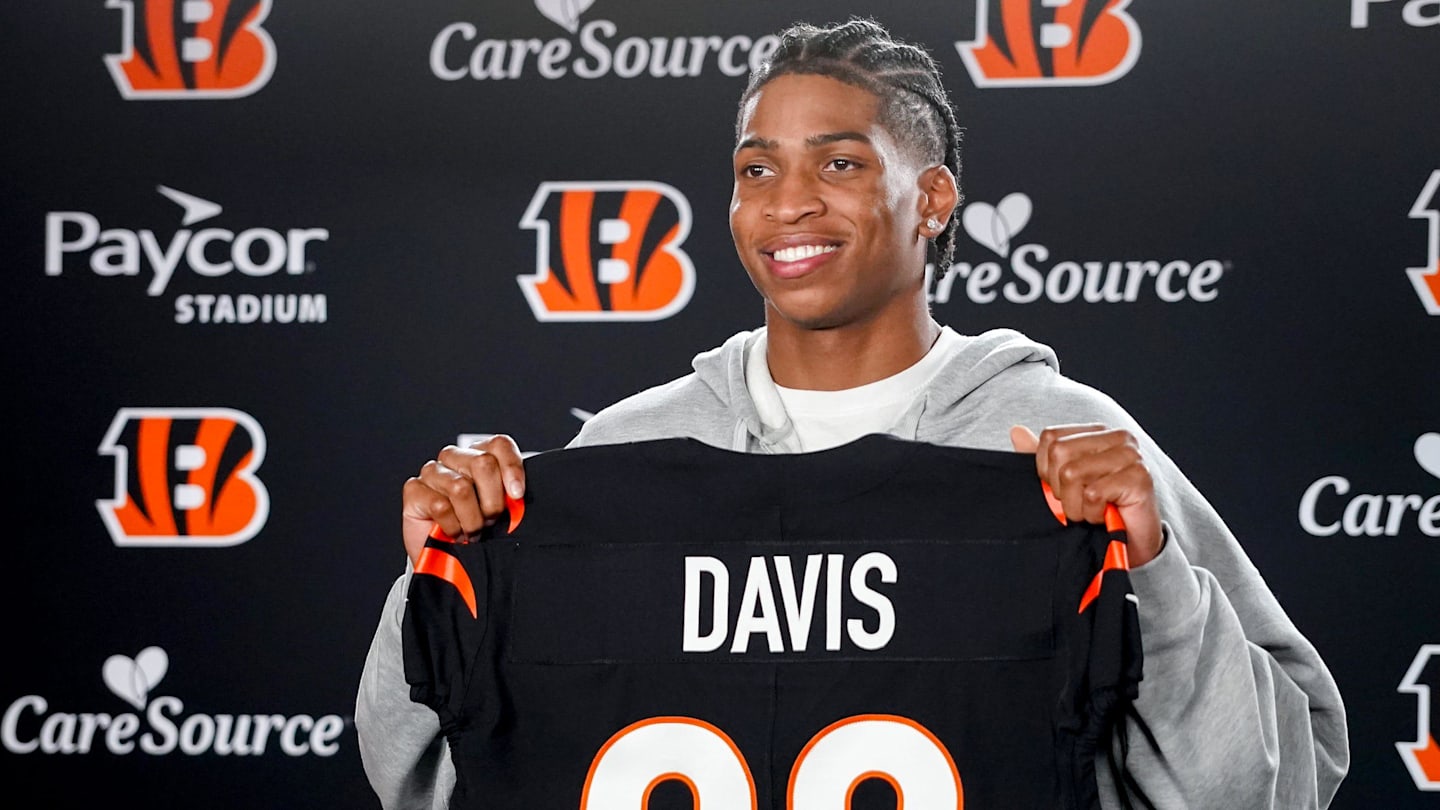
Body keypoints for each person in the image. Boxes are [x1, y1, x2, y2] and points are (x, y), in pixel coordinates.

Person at [357, 18, 1348, 809]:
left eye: (840, 164)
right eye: (757, 170)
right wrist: (437, 577)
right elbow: (429, 781)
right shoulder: (628, 449)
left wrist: (1155, 568)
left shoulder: (1056, 438)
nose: (788, 203)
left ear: (934, 199)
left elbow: (1281, 783)